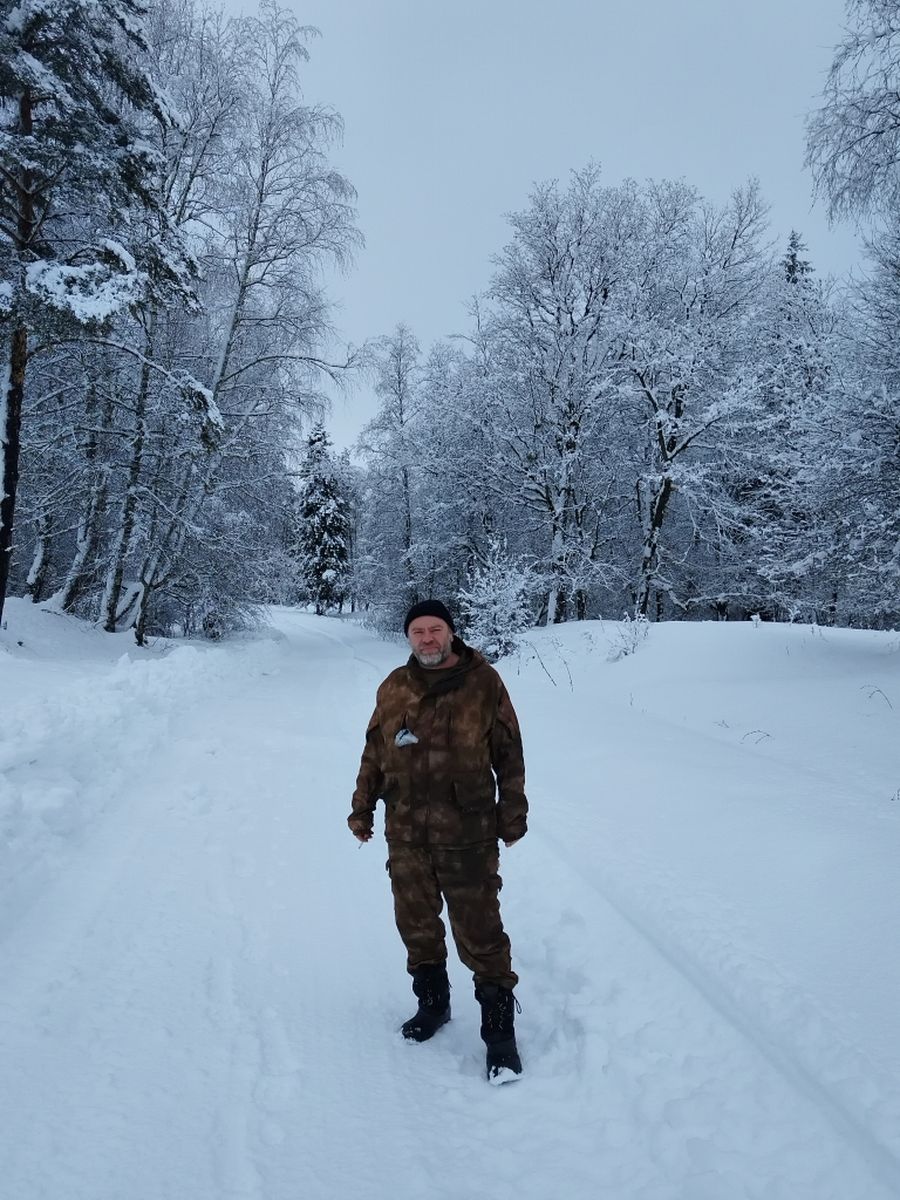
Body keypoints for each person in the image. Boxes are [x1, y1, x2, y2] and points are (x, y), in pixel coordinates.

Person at [348, 599, 528, 1082]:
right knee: (417, 926)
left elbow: (509, 753)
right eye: (418, 631)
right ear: (408, 637)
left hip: (467, 832)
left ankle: (500, 1038)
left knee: (481, 933)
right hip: (406, 831)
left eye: (435, 630)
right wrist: (362, 807)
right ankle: (433, 1005)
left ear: (450, 632)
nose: (427, 639)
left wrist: (512, 814)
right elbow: (374, 752)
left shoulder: (483, 683)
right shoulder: (394, 687)